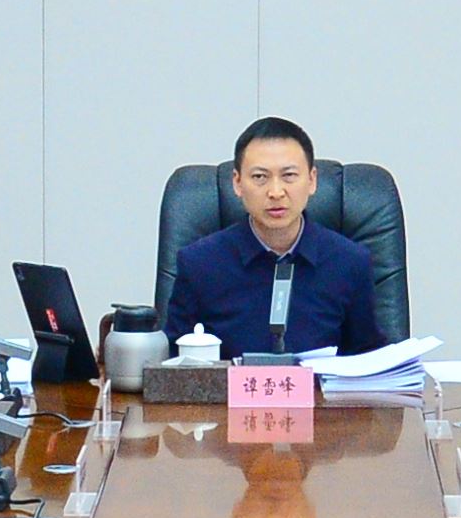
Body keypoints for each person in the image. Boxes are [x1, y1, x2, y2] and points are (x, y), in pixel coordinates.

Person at [160, 117, 380, 357]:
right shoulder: (199, 264)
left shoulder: (350, 262)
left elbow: (370, 360)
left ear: (312, 180)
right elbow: (171, 362)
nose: (276, 192)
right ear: (237, 183)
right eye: (259, 177)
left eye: (289, 175)